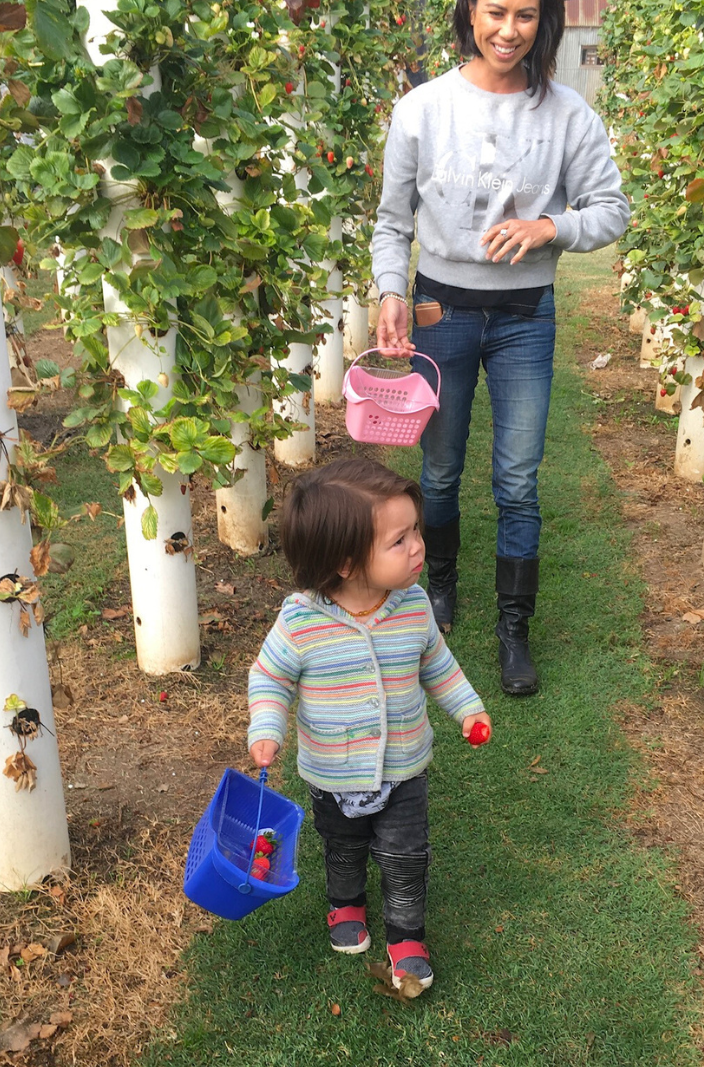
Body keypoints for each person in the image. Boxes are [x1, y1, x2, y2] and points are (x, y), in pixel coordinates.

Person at [371, 0, 630, 696]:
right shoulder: (421, 109)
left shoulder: (568, 114)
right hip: (440, 311)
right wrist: (390, 291)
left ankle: (514, 629)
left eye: (523, 14)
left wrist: (550, 227)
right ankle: (443, 589)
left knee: (517, 478)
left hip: (524, 316)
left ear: (542, 20)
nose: (507, 30)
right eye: (494, 11)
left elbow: (610, 208)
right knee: (441, 468)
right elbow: (391, 223)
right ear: (468, 15)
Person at [247, 457, 491, 992]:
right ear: (345, 561)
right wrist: (266, 728)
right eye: (399, 540)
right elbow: (270, 677)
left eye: (416, 532)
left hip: (404, 768)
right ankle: (346, 903)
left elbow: (437, 665)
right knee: (343, 845)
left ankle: (406, 934)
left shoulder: (413, 607)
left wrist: (468, 709)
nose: (418, 547)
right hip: (331, 773)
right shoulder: (300, 621)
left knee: (405, 856)